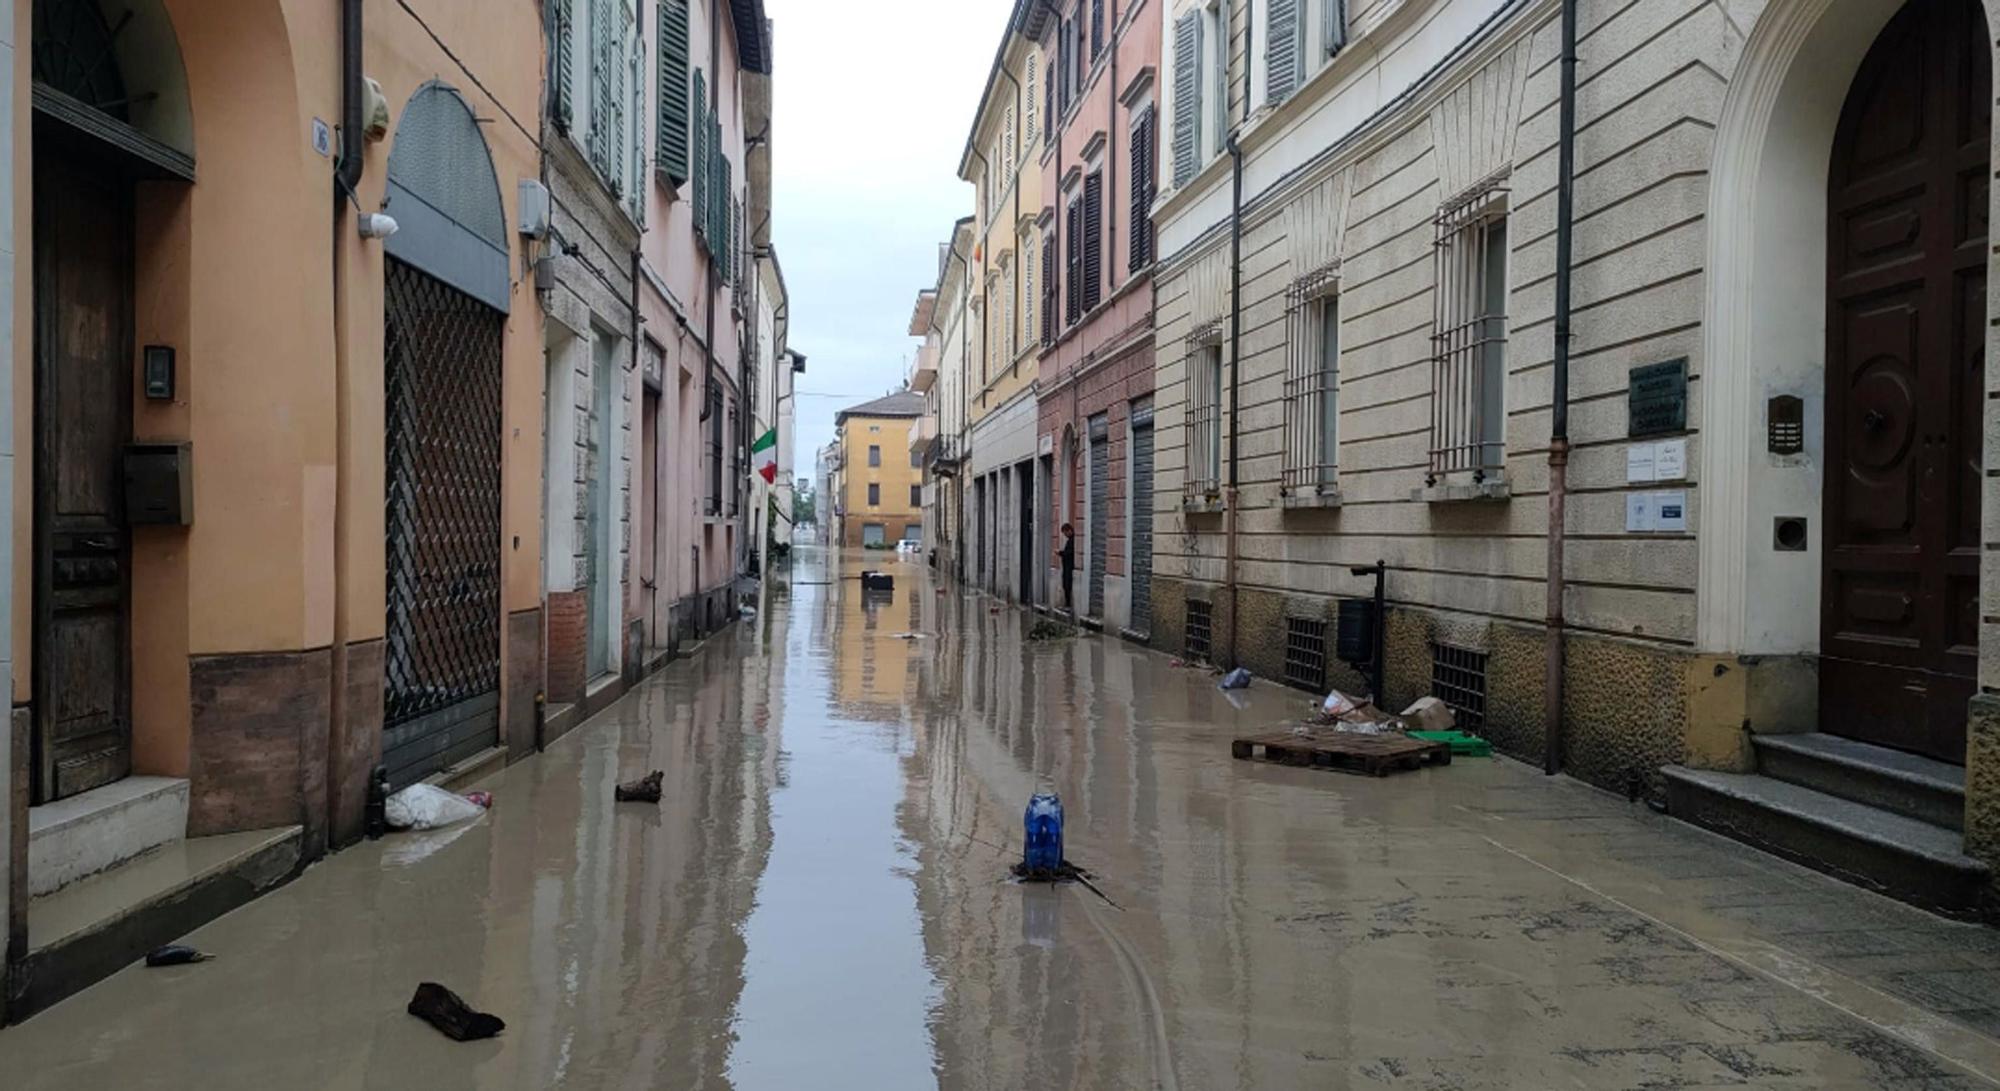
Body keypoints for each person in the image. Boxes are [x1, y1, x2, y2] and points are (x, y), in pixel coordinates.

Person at [1058, 523, 1076, 611]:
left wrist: (1060, 553)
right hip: (1067, 566)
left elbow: (1069, 553)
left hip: (1069, 567)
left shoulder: (1073, 541)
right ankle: (1067, 603)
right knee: (1065, 585)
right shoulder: (1070, 540)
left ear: (1069, 530)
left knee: (1067, 585)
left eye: (1065, 533)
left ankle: (1068, 605)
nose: (1065, 535)